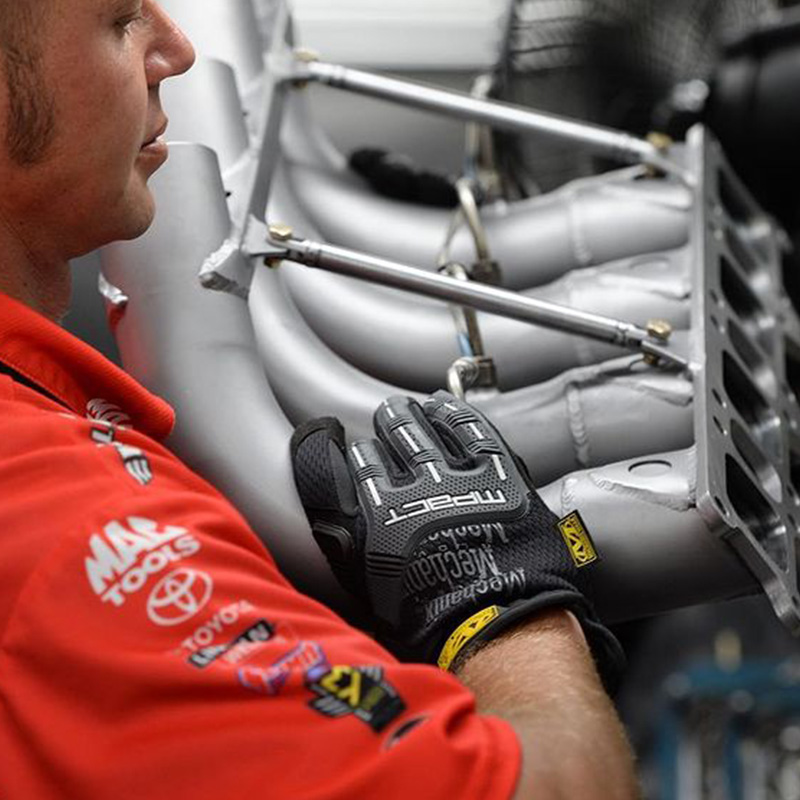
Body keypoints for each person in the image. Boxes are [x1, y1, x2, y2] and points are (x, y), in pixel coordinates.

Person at [0, 1, 639, 798]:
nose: (177, 49)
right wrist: (502, 601)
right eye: (122, 17)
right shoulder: (67, 532)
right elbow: (564, 787)